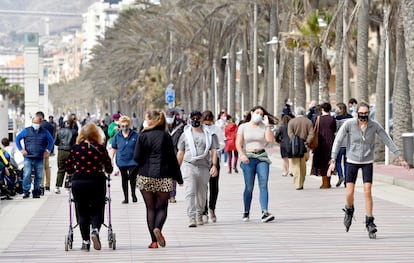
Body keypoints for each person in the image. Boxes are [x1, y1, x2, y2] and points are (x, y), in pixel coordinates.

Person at [328, 102, 409, 238]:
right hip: (351, 161)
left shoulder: (374, 125)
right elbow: (338, 140)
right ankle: (349, 210)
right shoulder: (349, 124)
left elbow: (387, 139)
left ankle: (370, 222)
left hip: (367, 162)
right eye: (361, 113)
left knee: (367, 192)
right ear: (357, 113)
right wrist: (333, 159)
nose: (364, 116)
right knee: (349, 193)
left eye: (366, 113)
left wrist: (400, 158)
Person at [133, 109, 183, 248]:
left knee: (150, 209)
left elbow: (136, 157)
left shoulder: (142, 136)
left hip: (145, 176)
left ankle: (154, 242)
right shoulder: (165, 136)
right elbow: (173, 159)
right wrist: (178, 178)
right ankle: (158, 229)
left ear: (150, 120)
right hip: (164, 175)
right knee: (162, 207)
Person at [66, 122, 113, 251]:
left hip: (79, 182)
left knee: (81, 211)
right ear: (96, 134)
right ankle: (95, 230)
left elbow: (68, 167)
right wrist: (107, 170)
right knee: (98, 208)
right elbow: (108, 167)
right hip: (96, 181)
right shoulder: (100, 148)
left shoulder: (75, 148)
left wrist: (72, 171)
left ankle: (85, 241)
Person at [235, 106, 278, 222]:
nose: (259, 115)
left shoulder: (264, 127)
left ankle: (265, 212)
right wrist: (241, 154)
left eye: (262, 114)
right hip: (248, 157)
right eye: (257, 112)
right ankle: (246, 211)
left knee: (263, 184)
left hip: (262, 157)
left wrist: (268, 125)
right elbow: (238, 143)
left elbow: (270, 141)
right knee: (249, 187)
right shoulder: (243, 127)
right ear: (252, 112)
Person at [177, 110, 218, 227]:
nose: (195, 120)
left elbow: (214, 151)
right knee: (190, 191)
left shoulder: (209, 135)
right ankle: (191, 217)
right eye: (193, 118)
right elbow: (180, 153)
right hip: (189, 165)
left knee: (202, 193)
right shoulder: (185, 135)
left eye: (197, 118)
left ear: (201, 119)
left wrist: (214, 165)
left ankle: (199, 213)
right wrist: (176, 171)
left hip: (204, 167)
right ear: (190, 120)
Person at [15, 116, 54, 199]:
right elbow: (17, 139)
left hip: (39, 157)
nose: (35, 124)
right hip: (28, 157)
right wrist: (21, 150)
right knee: (26, 175)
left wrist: (48, 150)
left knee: (39, 176)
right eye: (34, 123)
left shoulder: (45, 132)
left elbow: (51, 141)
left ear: (40, 123)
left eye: (37, 123)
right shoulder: (26, 131)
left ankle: (36, 191)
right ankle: (26, 191)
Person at [201, 110, 224, 223]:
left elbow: (222, 142)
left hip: (214, 159)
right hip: (202, 160)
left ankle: (212, 208)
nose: (207, 123)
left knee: (214, 186)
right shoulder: (199, 129)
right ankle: (203, 211)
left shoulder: (217, 129)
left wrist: (216, 147)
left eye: (209, 120)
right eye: (205, 120)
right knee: (203, 186)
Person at [111, 115, 139, 204]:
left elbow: (140, 147)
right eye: (122, 126)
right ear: (120, 126)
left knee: (132, 177)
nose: (124, 128)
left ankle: (133, 194)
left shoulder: (135, 135)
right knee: (124, 178)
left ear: (129, 125)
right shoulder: (117, 136)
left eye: (126, 126)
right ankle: (126, 198)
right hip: (121, 160)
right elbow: (114, 148)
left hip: (133, 161)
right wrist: (110, 159)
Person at [310, 102, 336, 189]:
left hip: (320, 142)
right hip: (330, 142)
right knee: (329, 161)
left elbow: (315, 129)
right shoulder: (332, 119)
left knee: (322, 163)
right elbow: (334, 129)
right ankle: (328, 182)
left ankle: (325, 183)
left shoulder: (318, 118)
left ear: (322, 109)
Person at [287, 106, 314, 190]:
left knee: (295, 165)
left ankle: (298, 184)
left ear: (296, 113)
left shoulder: (292, 121)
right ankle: (301, 182)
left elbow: (290, 133)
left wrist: (295, 140)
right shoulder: (308, 122)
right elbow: (311, 134)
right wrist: (306, 142)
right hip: (305, 146)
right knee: (303, 165)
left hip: (294, 147)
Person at [54, 117, 78, 194]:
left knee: (60, 169)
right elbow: (76, 143)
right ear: (72, 124)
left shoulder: (59, 131)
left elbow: (56, 142)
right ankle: (68, 186)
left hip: (61, 151)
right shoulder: (74, 132)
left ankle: (57, 186)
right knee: (70, 169)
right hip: (71, 151)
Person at [166, 108, 185, 204]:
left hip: (176, 152)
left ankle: (172, 195)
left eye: (171, 116)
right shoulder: (163, 125)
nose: (169, 118)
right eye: (168, 116)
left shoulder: (181, 126)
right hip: (164, 153)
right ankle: (166, 194)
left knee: (173, 175)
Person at [334, 103, 353, 187]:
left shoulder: (338, 118)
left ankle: (341, 176)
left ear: (340, 109)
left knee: (337, 161)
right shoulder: (351, 117)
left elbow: (336, 129)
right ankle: (346, 182)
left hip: (340, 143)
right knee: (346, 163)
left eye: (337, 108)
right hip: (348, 143)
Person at [36, 111, 54, 194]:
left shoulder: (40, 126)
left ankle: (41, 185)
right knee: (47, 167)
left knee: (41, 167)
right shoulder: (50, 125)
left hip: (41, 148)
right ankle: (48, 184)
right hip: (48, 148)